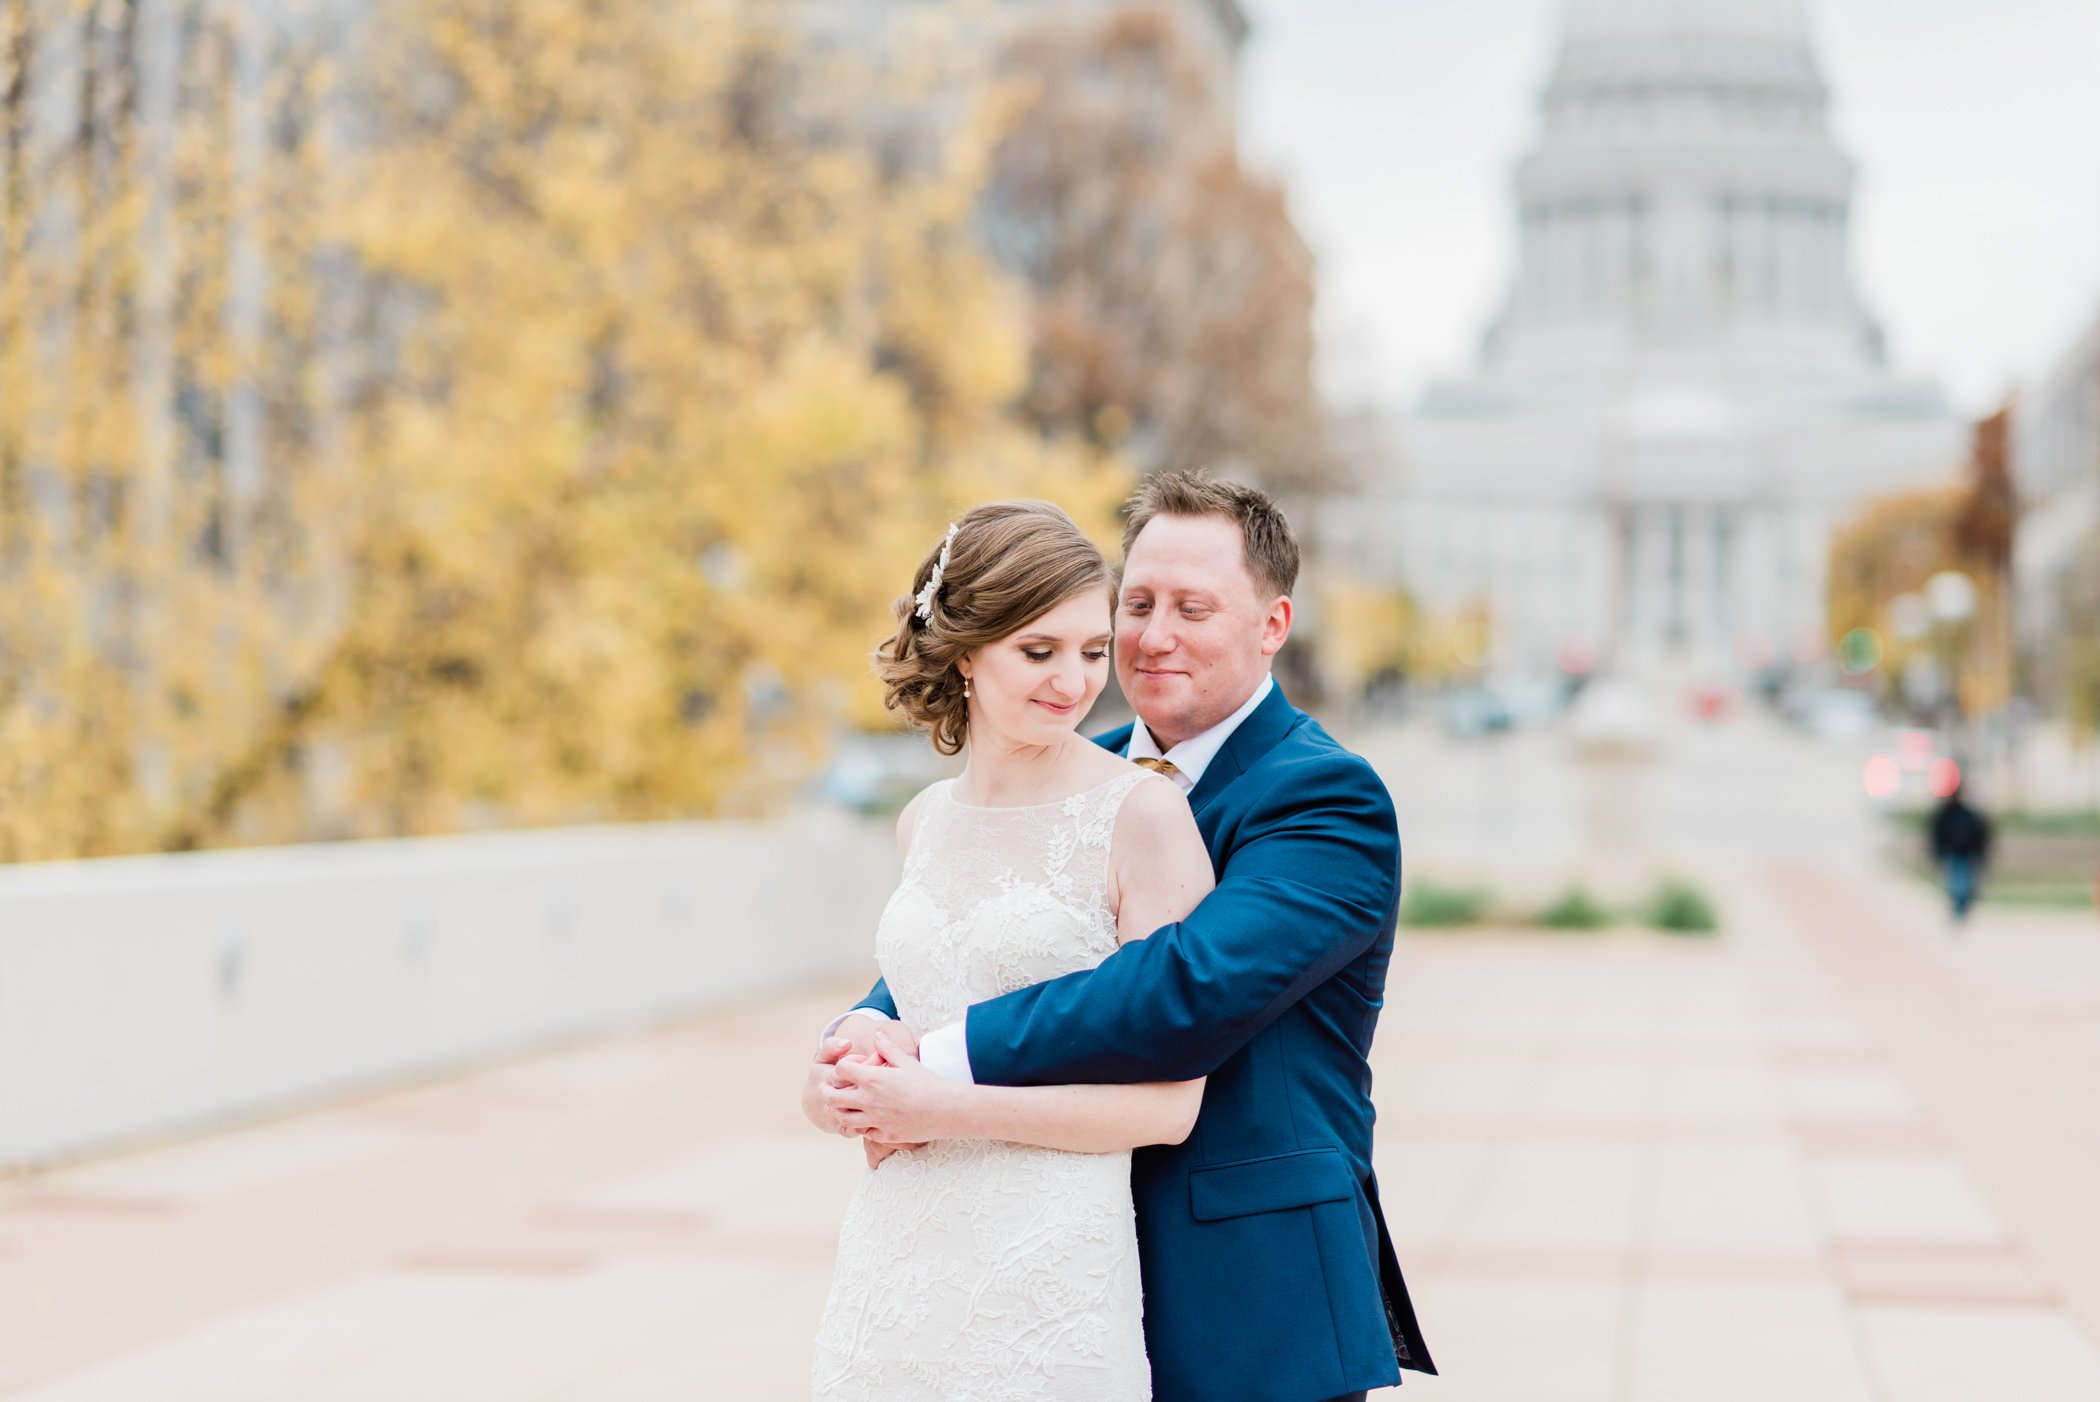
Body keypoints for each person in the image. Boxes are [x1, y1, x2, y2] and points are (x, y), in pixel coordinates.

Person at [808, 473, 1435, 1402]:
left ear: (1272, 625)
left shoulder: (1325, 800)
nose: (1152, 637)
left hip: (1245, 1291)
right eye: (1136, 604)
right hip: (1034, 1252)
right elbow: (978, 939)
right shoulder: (1066, 766)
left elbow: (1181, 990)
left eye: (1193, 607)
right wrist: (861, 1038)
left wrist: (937, 1065)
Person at [807, 499, 1215, 1400]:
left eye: (1091, 651)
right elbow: (908, 1023)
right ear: (965, 649)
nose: (1074, 682)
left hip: (1048, 1284)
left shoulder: (1143, 817)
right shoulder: (924, 822)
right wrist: (836, 1081)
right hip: (894, 1270)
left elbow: (1168, 1107)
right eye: (1040, 651)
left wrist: (938, 1109)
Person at [1930, 781, 1992, 921]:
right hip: (1953, 853)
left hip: (1966, 853)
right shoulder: (1947, 814)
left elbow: (1980, 834)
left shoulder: (1967, 814)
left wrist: (1980, 852)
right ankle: (1959, 907)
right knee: (1956, 883)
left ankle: (1961, 907)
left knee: (1964, 883)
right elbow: (1937, 834)